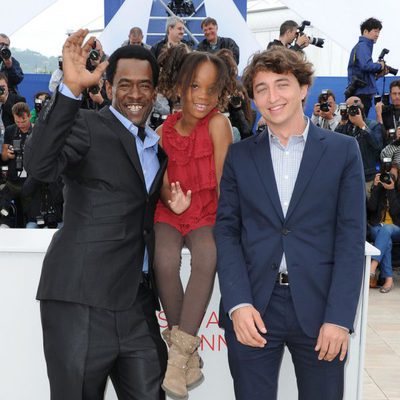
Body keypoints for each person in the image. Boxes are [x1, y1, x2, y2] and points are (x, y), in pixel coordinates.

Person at [215, 47, 365, 400]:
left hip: (320, 309)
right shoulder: (239, 156)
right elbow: (226, 231)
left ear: (303, 88)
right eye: (261, 88)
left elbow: (350, 238)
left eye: (282, 84)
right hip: (253, 306)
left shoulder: (343, 151)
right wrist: (237, 303)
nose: (272, 97)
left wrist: (340, 318)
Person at [24, 29, 168, 399]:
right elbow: (39, 166)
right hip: (81, 301)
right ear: (106, 85)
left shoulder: (156, 148)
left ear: (155, 90)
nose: (135, 94)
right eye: (124, 84)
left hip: (136, 305)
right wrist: (70, 91)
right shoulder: (87, 126)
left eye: (144, 85)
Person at [153, 51, 232, 399]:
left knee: (207, 257)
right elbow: (162, 181)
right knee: (164, 261)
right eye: (195, 86)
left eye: (212, 90)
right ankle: (190, 358)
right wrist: (172, 200)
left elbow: (225, 185)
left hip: (206, 211)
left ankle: (178, 357)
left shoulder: (219, 124)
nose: (203, 97)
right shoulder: (161, 130)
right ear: (180, 86)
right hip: (170, 214)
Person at [335, 96, 383, 196]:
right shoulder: (346, 126)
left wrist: (362, 125)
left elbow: (378, 146)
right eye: (349, 108)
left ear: (361, 108)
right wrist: (342, 123)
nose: (353, 110)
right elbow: (335, 144)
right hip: (350, 177)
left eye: (355, 107)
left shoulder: (373, 125)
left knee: (370, 209)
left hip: (368, 177)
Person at [347, 17, 387, 116]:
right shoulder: (363, 46)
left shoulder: (362, 46)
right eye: (375, 31)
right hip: (361, 93)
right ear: (365, 31)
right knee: (360, 123)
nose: (377, 35)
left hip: (360, 92)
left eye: (379, 32)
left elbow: (362, 71)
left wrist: (377, 75)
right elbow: (366, 66)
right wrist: (380, 66)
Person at [368, 166, 399, 293]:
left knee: (386, 229)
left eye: (393, 175)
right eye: (387, 174)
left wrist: (391, 191)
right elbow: (370, 208)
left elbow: (396, 212)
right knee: (386, 239)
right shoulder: (378, 190)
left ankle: (372, 267)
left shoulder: (397, 192)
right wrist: (375, 188)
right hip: (378, 228)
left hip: (397, 228)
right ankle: (389, 280)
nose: (389, 177)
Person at [1, 102, 32, 227]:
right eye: (17, 121)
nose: (20, 125)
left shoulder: (37, 131)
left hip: (31, 183)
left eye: (23, 121)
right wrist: (7, 154)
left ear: (29, 116)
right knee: (4, 210)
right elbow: (3, 156)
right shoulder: (10, 130)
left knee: (29, 215)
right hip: (12, 181)